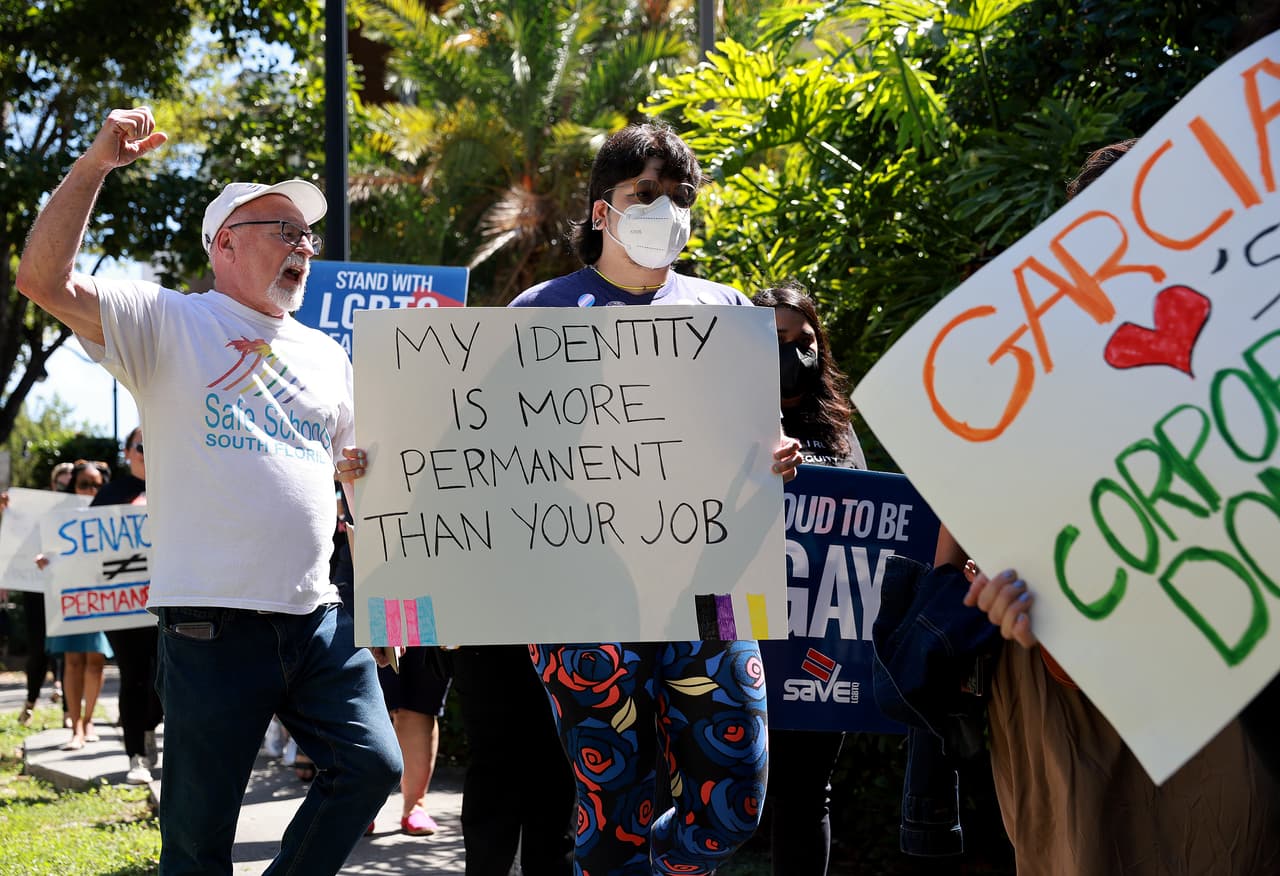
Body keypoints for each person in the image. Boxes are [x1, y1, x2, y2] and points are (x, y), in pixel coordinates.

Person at [15, 106, 401, 874]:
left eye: (308, 237)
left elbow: (352, 476)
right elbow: (41, 279)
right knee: (196, 844)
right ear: (225, 243)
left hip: (318, 619)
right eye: (282, 231)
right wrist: (95, 164)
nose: (303, 248)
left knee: (373, 767)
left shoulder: (329, 354)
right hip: (210, 630)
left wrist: (387, 586)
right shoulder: (167, 321)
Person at [952, 140, 1280, 874]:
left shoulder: (1242, 350)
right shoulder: (1023, 388)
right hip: (1075, 704)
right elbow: (967, 559)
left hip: (1226, 694)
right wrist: (994, 601)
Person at [510, 121, 803, 876]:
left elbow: (752, 435)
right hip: (584, 599)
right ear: (602, 210)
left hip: (707, 588)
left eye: (678, 196)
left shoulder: (725, 308)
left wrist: (774, 455)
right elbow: (482, 458)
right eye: (646, 193)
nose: (665, 208)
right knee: (612, 809)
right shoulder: (540, 314)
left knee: (736, 802)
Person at [751, 281, 865, 875]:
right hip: (737, 639)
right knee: (722, 787)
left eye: (804, 339)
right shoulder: (723, 422)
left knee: (806, 793)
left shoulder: (841, 432)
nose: (793, 353)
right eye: (775, 340)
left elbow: (868, 525)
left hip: (818, 643)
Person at [98, 427, 163, 784]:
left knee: (163, 678)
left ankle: (150, 726)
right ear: (127, 453)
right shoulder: (110, 494)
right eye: (140, 446)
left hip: (168, 601)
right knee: (134, 677)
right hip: (123, 607)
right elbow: (82, 542)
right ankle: (136, 753)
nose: (146, 451)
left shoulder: (175, 485)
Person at [43, 459, 115, 751]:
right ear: (73, 485)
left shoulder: (114, 514)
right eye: (84, 484)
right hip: (72, 596)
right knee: (72, 661)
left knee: (95, 661)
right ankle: (75, 726)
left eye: (96, 485)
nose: (90, 490)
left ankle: (89, 721)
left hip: (102, 597)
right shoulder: (57, 515)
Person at [9, 462, 74, 725]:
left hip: (67, 589)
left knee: (68, 650)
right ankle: (31, 702)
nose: (64, 486)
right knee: (38, 649)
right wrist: (9, 510)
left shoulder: (80, 509)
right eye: (61, 481)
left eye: (69, 482)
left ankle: (69, 711)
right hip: (37, 589)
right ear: (52, 483)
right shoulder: (35, 509)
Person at [376, 647, 451, 835]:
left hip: (428, 620)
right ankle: (356, 808)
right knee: (361, 701)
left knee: (420, 702)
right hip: (363, 618)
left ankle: (415, 805)